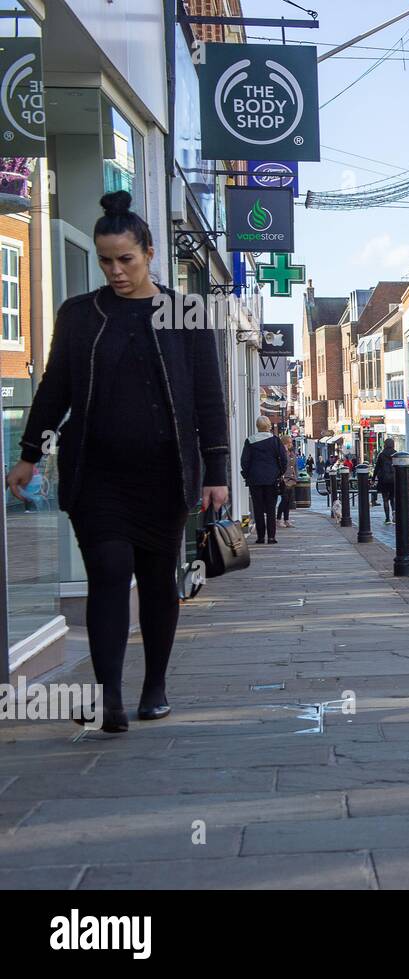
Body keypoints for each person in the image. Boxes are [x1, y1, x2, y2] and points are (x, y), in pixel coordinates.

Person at [4, 191, 228, 733]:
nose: (115, 270)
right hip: (97, 471)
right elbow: (55, 387)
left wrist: (217, 472)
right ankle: (109, 697)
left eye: (125, 259)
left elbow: (207, 397)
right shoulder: (81, 314)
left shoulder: (186, 312)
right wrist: (29, 454)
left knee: (156, 579)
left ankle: (154, 685)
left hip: (165, 473)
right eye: (106, 260)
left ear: (149, 252)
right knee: (107, 572)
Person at [242, 415, 288, 544]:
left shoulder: (249, 441)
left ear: (257, 426)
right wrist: (280, 473)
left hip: (255, 478)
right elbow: (283, 459)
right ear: (269, 426)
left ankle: (260, 537)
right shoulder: (275, 440)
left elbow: (244, 461)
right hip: (272, 478)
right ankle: (271, 537)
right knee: (270, 508)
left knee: (258, 508)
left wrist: (247, 475)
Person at [374, 437, 397, 524]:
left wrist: (373, 478)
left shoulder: (381, 455)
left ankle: (387, 518)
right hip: (394, 479)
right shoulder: (396, 454)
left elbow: (377, 468)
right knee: (393, 498)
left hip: (383, 479)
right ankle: (394, 513)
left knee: (385, 499)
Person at [276, 434, 296, 528]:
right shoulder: (281, 452)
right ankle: (279, 519)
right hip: (284, 479)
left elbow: (294, 466)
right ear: (286, 442)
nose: (291, 443)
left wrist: (296, 477)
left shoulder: (291, 452)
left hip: (291, 479)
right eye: (290, 442)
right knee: (284, 500)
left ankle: (286, 519)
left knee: (288, 500)